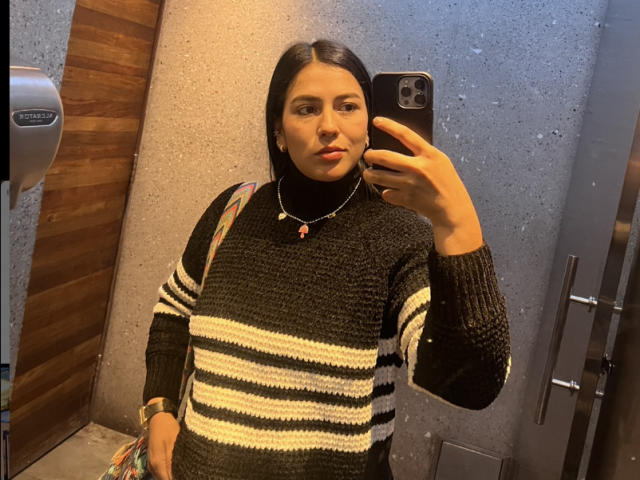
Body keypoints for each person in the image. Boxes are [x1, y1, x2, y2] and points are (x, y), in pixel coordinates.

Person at [142, 39, 511, 480]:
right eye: (306, 109)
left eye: (348, 107)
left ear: (369, 124)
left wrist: (457, 224)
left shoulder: (400, 237)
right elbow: (174, 310)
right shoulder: (234, 209)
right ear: (279, 131)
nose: (329, 126)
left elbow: (470, 383)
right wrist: (159, 408)